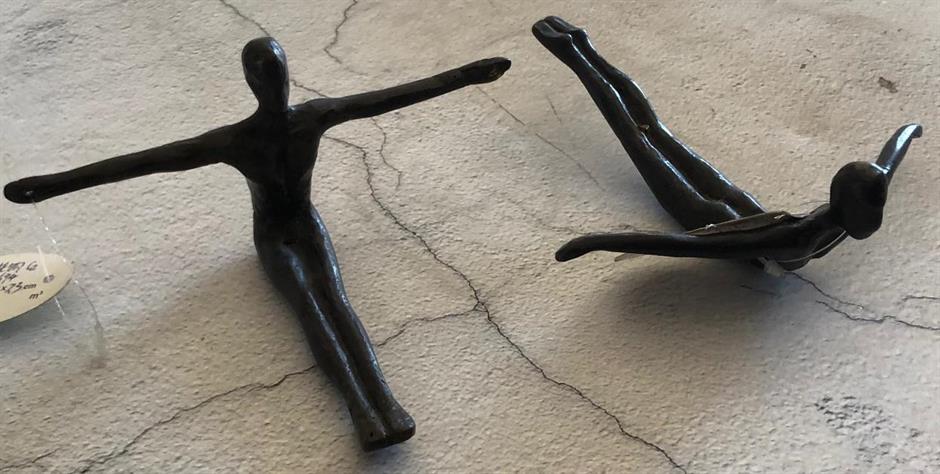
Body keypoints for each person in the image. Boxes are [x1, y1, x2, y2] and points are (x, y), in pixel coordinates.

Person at [4, 36, 511, 451]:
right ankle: (362, 411)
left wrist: (465, 75)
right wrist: (52, 184)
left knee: (337, 302)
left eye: (279, 73)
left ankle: (388, 405)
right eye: (267, 76)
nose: (276, 84)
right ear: (252, 83)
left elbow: (389, 97)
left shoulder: (312, 117)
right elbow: (143, 161)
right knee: (310, 307)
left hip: (306, 225)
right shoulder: (237, 139)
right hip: (273, 238)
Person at [532, 16, 921, 271]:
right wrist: (596, 242)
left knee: (652, 132)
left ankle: (578, 47)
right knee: (643, 135)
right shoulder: (800, 238)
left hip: (751, 212)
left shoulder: (837, 216)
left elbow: (887, 162)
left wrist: (907, 133)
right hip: (715, 217)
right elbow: (690, 245)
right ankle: (576, 51)